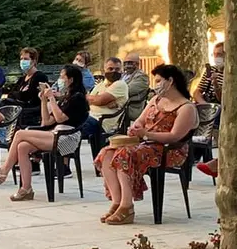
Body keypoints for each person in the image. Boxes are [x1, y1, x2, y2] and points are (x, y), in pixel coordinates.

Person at [95, 64, 198, 225]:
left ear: (170, 81)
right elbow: (140, 120)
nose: (155, 85)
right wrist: (135, 128)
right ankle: (117, 201)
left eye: (158, 81)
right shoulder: (156, 100)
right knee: (107, 152)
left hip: (168, 151)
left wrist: (146, 134)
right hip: (145, 145)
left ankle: (127, 205)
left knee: (124, 154)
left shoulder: (186, 107)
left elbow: (174, 136)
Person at [0, 65, 89, 201]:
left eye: (62, 77)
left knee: (20, 134)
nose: (59, 80)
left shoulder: (78, 98)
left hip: (68, 139)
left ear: (70, 79)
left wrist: (52, 98)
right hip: (56, 134)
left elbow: (60, 118)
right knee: (22, 146)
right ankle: (26, 189)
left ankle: (3, 171)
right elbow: (46, 122)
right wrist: (43, 101)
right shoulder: (66, 97)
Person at [81, 57, 129, 139]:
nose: (114, 71)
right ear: (104, 70)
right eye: (110, 69)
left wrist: (96, 99)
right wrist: (95, 99)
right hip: (88, 117)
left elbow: (99, 100)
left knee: (67, 126)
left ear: (121, 71)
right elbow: (85, 100)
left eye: (117, 69)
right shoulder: (100, 85)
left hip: (99, 123)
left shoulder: (120, 84)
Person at [4, 47, 49, 127]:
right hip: (19, 105)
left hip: (31, 109)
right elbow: (11, 94)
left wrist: (18, 94)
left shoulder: (39, 76)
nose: (22, 61)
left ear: (34, 61)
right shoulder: (22, 78)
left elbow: (29, 96)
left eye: (26, 59)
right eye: (21, 59)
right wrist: (20, 94)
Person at [122, 52, 150, 121]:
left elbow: (127, 91)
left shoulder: (141, 77)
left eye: (130, 63)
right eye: (125, 63)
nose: (127, 65)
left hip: (130, 108)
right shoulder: (123, 75)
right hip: (120, 105)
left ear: (137, 64)